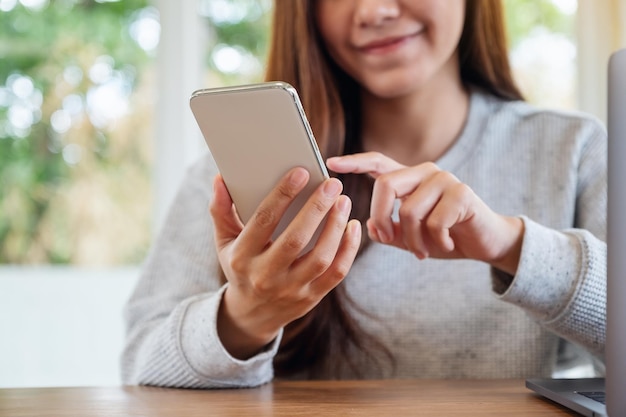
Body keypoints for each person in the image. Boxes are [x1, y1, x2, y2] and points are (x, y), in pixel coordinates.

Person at [121, 0, 607, 388]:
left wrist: (511, 246)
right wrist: (244, 319)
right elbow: (142, 366)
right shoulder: (236, 177)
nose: (372, 10)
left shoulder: (574, 151)